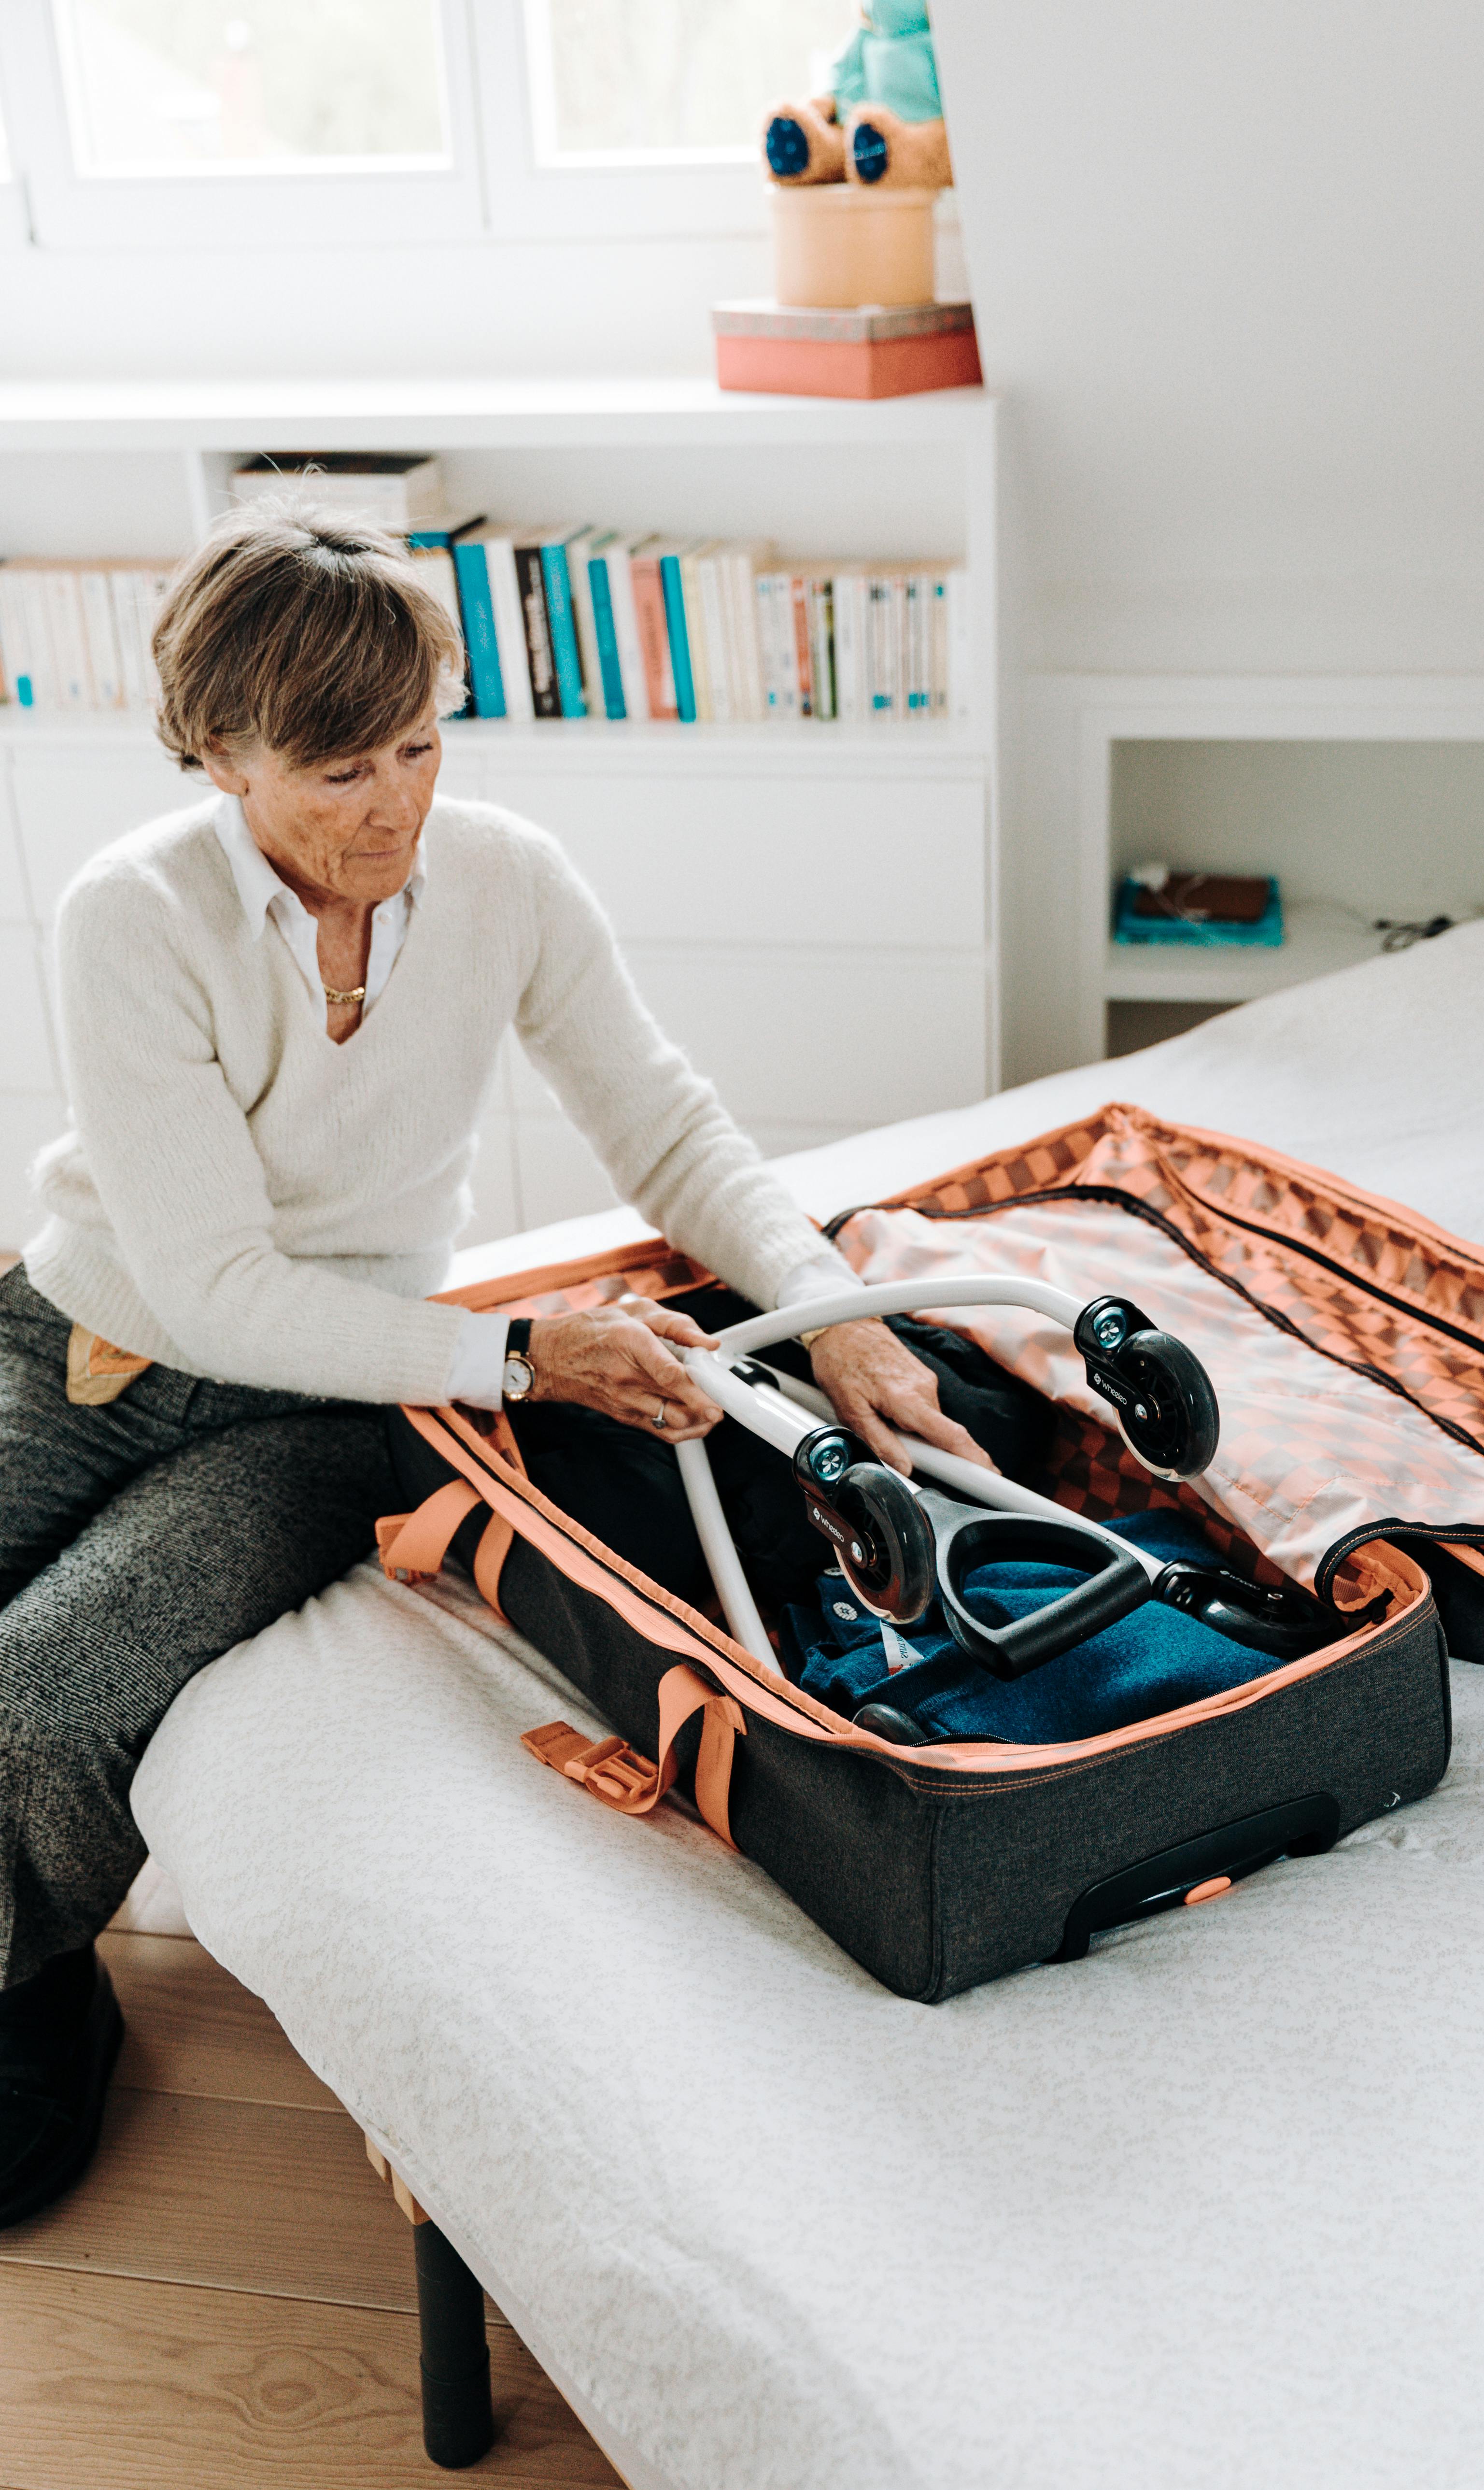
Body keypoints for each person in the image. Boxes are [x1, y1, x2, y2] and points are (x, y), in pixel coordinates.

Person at [0, 504, 995, 2229]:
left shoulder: (509, 879)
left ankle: (25, 1983)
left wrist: (833, 1310)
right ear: (219, 753)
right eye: (336, 772)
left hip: (340, 1394)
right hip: (93, 1334)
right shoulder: (129, 915)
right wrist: (534, 1353)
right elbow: (215, 1281)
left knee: (40, 1692)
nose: (394, 804)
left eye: (419, 746)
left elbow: (669, 1127)